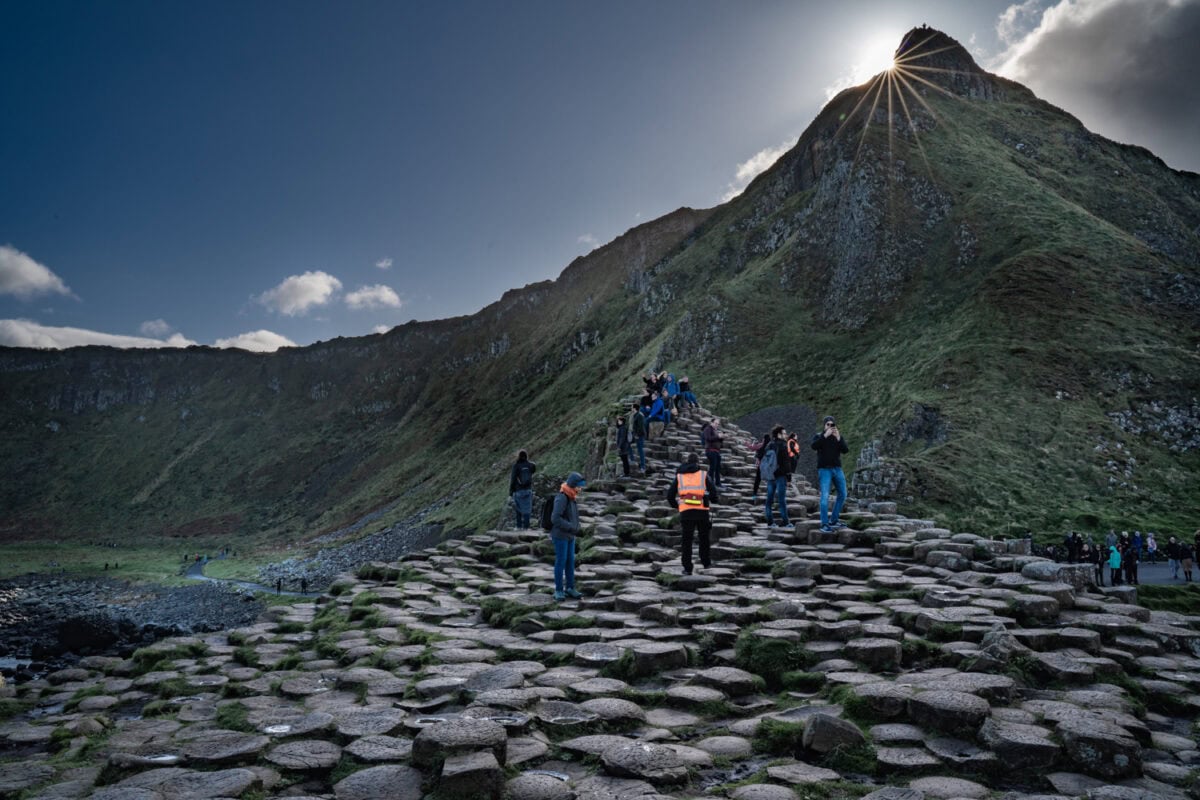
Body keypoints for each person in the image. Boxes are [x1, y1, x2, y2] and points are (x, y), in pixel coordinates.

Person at [665, 453, 719, 575]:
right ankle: (706, 562)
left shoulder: (679, 476)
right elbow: (713, 491)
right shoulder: (703, 475)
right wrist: (712, 499)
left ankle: (687, 567)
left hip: (686, 511)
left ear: (687, 462)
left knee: (687, 540)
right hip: (702, 511)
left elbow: (670, 495)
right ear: (697, 463)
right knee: (704, 538)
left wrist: (677, 505)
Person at [549, 472, 586, 601]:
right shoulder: (562, 497)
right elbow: (555, 518)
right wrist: (571, 526)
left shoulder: (572, 497)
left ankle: (570, 588)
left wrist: (576, 527)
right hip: (560, 536)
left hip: (570, 535)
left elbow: (573, 516)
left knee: (570, 561)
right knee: (561, 561)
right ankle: (558, 590)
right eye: (579, 486)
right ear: (573, 485)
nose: (580, 489)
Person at [812, 416, 850, 533]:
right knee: (825, 497)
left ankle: (833, 520)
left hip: (837, 469)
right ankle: (824, 524)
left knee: (843, 494)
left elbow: (845, 450)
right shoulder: (819, 436)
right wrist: (825, 435)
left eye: (832, 424)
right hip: (825, 470)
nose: (830, 426)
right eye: (828, 424)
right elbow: (814, 446)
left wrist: (838, 438)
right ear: (824, 426)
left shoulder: (837, 437)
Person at [763, 425, 792, 528]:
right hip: (780, 476)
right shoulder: (784, 445)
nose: (786, 435)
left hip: (771, 476)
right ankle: (785, 522)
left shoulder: (769, 445)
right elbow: (786, 463)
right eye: (784, 433)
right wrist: (788, 477)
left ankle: (770, 522)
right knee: (781, 499)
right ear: (779, 434)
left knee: (769, 499)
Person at [509, 450, 537, 529]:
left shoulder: (516, 466)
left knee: (518, 509)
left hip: (518, 490)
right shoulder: (530, 465)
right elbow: (534, 469)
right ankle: (526, 528)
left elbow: (513, 479)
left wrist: (511, 491)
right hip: (528, 490)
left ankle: (519, 527)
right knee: (527, 509)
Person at [701, 418, 723, 487]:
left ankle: (718, 483)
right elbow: (708, 438)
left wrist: (722, 437)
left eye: (718, 424)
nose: (717, 425)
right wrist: (718, 436)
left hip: (716, 451)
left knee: (718, 468)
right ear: (711, 423)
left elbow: (717, 441)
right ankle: (710, 484)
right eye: (716, 423)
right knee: (712, 467)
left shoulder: (715, 430)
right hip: (710, 450)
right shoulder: (707, 429)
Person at [751, 433, 770, 502]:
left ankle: (754, 494)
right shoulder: (770, 448)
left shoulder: (761, 447)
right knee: (769, 481)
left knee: (757, 480)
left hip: (761, 466)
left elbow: (758, 455)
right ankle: (769, 496)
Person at [631, 402, 647, 474]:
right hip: (637, 435)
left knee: (640, 451)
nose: (631, 408)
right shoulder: (636, 415)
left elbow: (640, 426)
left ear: (634, 408)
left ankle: (643, 466)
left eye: (632, 407)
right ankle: (639, 464)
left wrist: (637, 434)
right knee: (639, 450)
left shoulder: (639, 415)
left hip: (640, 435)